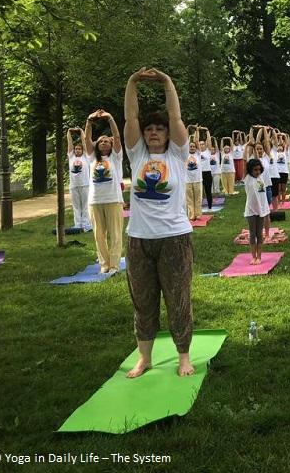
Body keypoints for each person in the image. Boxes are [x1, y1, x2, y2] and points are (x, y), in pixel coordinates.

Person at [123, 67, 195, 378]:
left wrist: (167, 81)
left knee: (178, 299)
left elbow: (176, 117)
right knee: (143, 301)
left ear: (167, 135)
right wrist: (132, 82)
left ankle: (183, 357)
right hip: (139, 239)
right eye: (149, 128)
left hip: (174, 238)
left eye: (159, 129)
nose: (154, 132)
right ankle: (145, 358)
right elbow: (130, 118)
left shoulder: (177, 155)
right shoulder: (137, 155)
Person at [85, 108, 124, 274]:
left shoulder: (116, 157)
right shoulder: (91, 158)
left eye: (106, 141)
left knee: (115, 234)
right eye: (100, 141)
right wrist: (89, 120)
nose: (103, 143)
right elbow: (86, 139)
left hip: (113, 200)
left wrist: (109, 118)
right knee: (99, 235)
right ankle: (104, 264)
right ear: (96, 145)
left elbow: (117, 136)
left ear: (111, 144)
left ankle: (114, 265)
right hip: (94, 201)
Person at [243, 159, 271, 264]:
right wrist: (249, 148)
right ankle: (253, 257)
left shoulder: (261, 177)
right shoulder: (247, 178)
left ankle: (259, 257)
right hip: (251, 210)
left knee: (259, 234)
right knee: (252, 234)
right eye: (255, 170)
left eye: (259, 169)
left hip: (261, 210)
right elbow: (245, 161)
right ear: (250, 170)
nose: (257, 172)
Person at [66, 127, 92, 231]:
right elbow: (69, 143)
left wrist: (81, 131)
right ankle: (77, 225)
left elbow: (84, 143)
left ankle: (86, 225)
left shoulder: (86, 157)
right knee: (76, 206)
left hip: (85, 185)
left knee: (85, 206)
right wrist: (69, 132)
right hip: (73, 186)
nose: (77, 150)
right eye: (76, 149)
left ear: (82, 150)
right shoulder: (71, 157)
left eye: (79, 149)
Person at [185, 140, 203, 221]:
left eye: (193, 146)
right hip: (187, 180)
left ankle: (198, 214)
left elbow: (196, 141)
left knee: (198, 198)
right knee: (189, 199)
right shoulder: (185, 155)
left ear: (196, 148)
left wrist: (196, 132)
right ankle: (191, 214)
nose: (192, 148)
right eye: (190, 146)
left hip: (197, 180)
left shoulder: (198, 154)